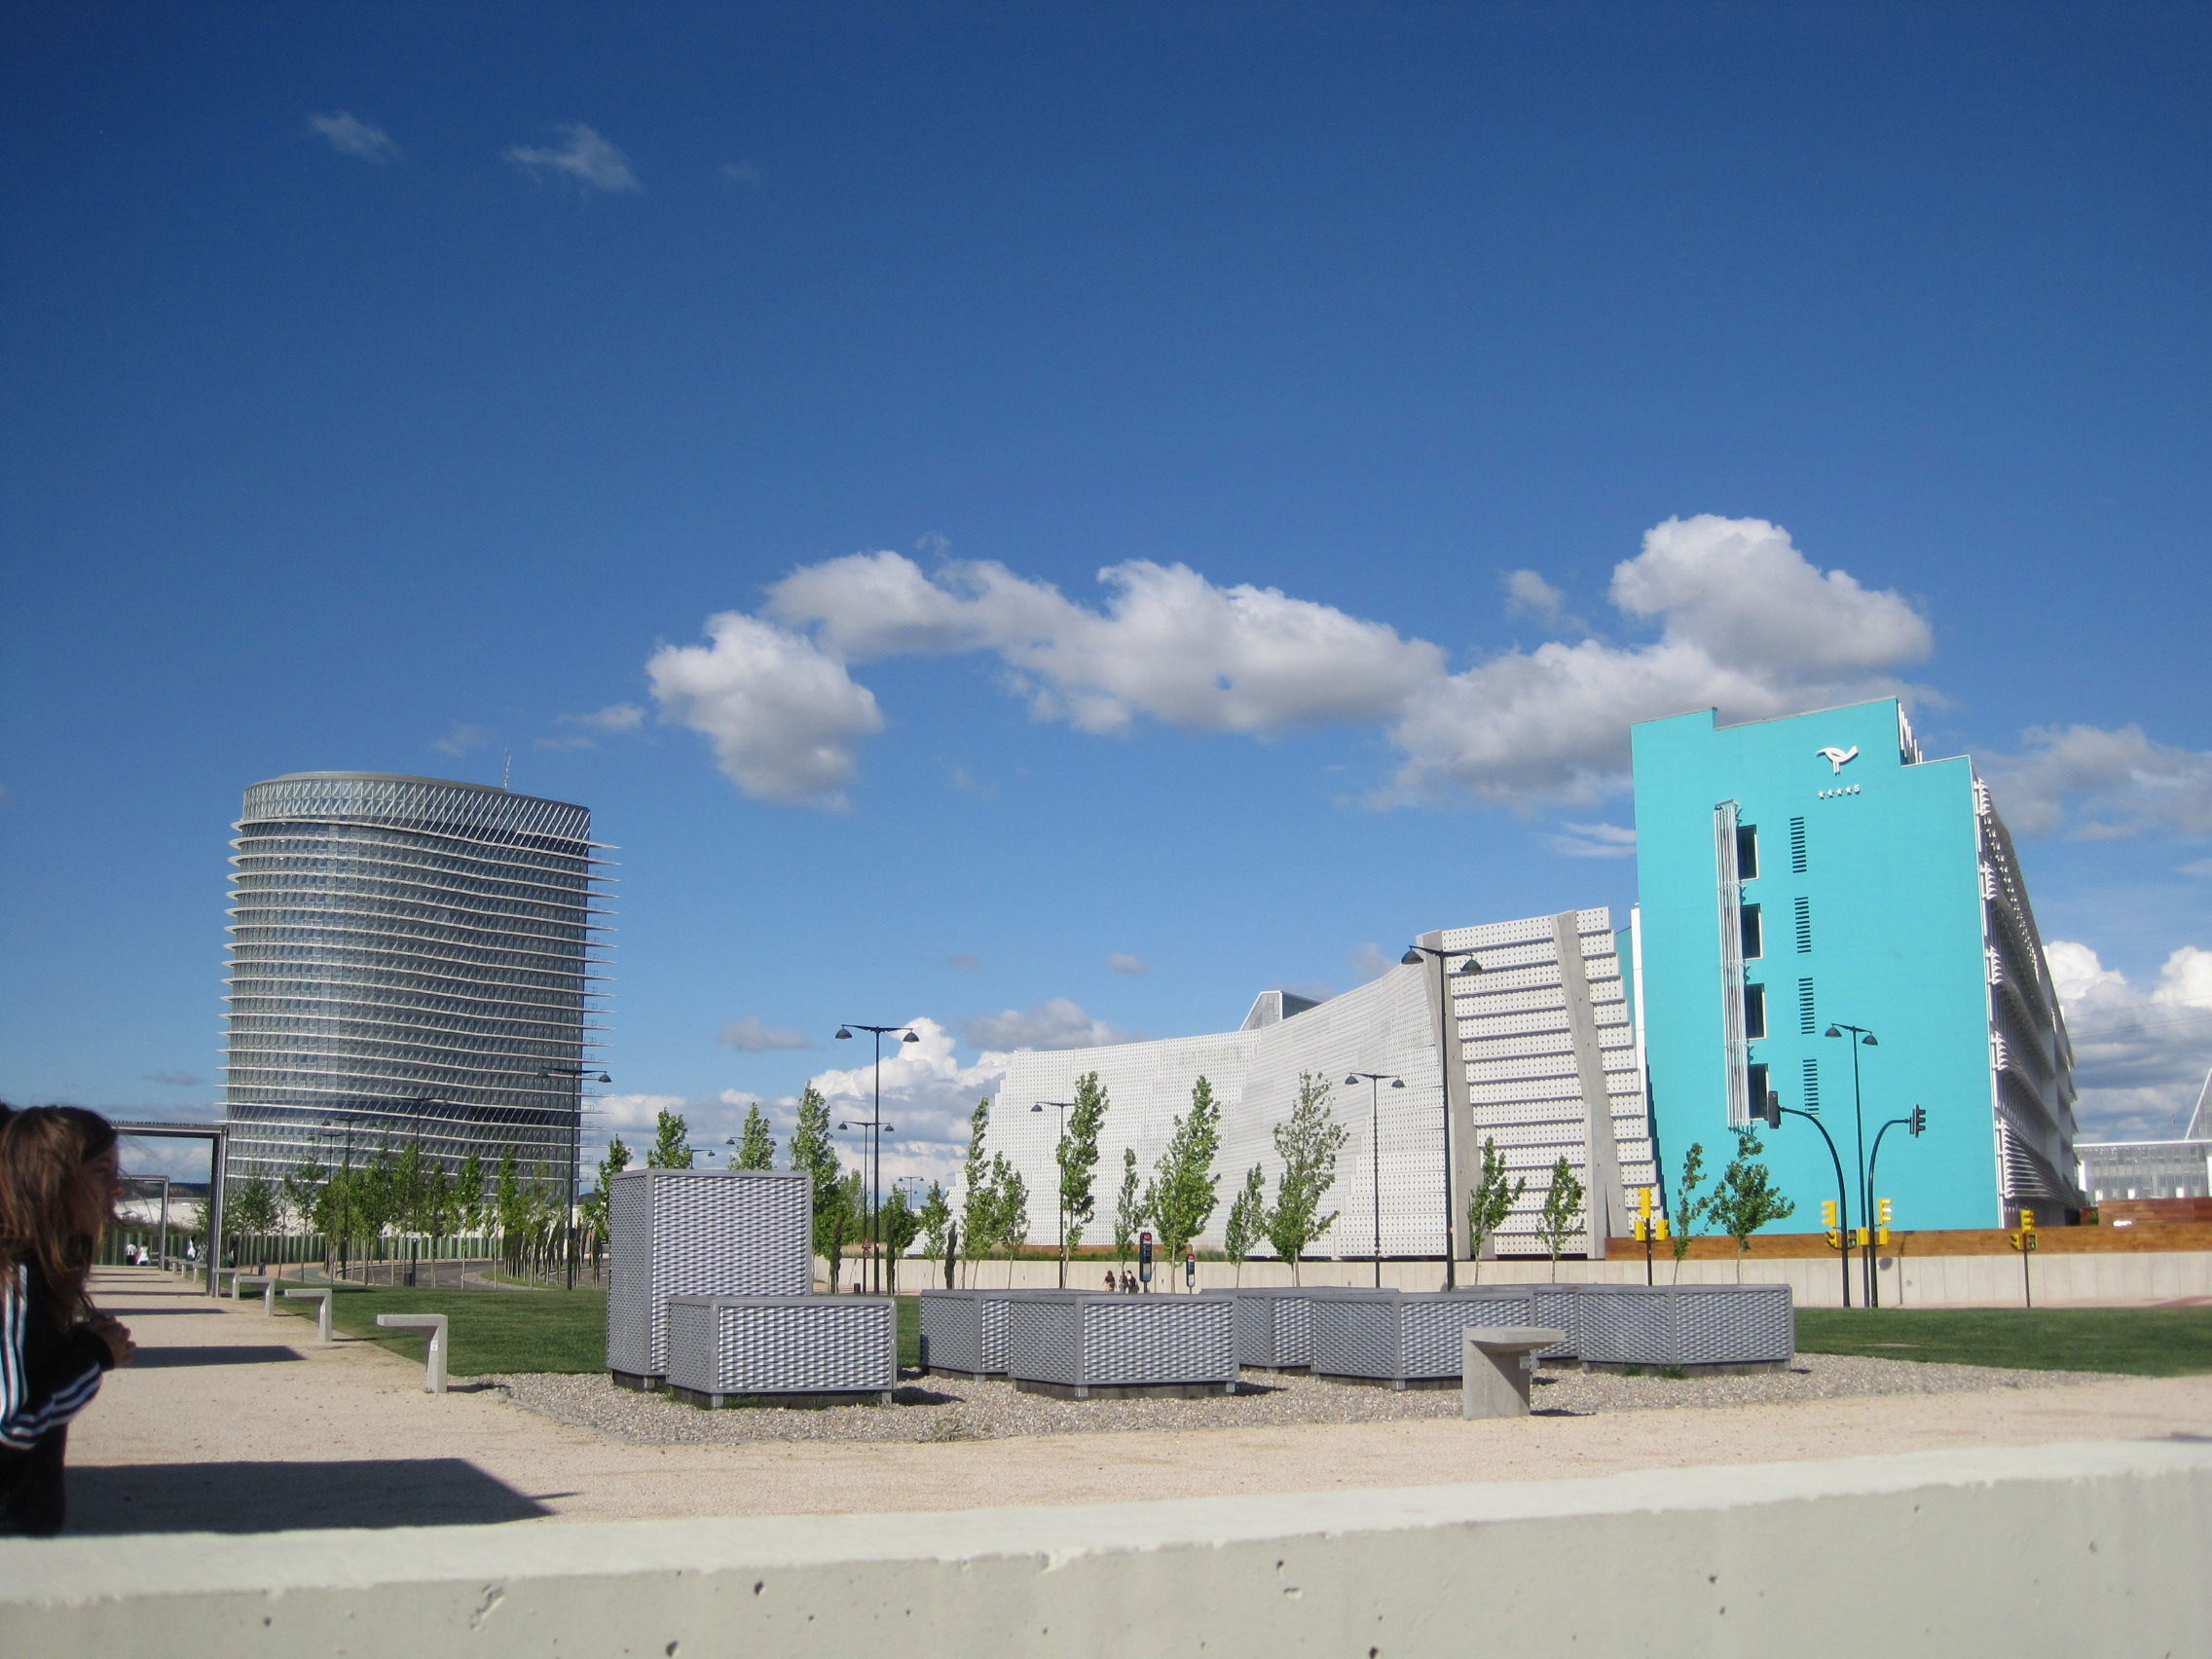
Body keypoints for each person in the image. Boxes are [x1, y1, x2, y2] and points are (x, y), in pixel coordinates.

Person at [1, 1106, 136, 1536]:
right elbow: (10, 1428)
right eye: (101, 1171)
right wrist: (93, 1357)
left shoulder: (30, 1273)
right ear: (50, 1180)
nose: (116, 1188)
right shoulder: (14, 1281)